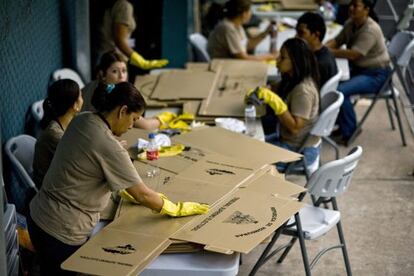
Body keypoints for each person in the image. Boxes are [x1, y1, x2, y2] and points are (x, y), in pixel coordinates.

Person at [28, 82, 208, 275]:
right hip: (61, 232)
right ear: (122, 111)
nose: (132, 126)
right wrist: (175, 208)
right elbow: (142, 195)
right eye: (134, 118)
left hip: (38, 216)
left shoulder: (83, 119)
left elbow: (88, 157)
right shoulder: (108, 145)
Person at [247, 38, 320, 172]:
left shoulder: (303, 91)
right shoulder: (291, 79)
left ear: (295, 62)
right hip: (287, 141)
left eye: (282, 57)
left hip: (298, 153)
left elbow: (294, 128)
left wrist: (276, 103)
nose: (277, 60)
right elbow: (273, 88)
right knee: (246, 144)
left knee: (248, 157)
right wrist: (261, 91)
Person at [326, 0, 390, 145]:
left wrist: (327, 51)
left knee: (340, 91)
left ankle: (350, 130)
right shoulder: (351, 23)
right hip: (360, 70)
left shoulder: (370, 29)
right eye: (351, 5)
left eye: (356, 6)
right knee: (330, 86)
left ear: (366, 10)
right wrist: (322, 48)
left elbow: (354, 54)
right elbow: (337, 41)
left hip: (376, 75)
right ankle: (341, 125)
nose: (351, 8)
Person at [83, 50, 168, 130]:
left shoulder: (93, 85)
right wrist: (162, 120)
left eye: (124, 71)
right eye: (115, 71)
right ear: (102, 74)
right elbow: (146, 126)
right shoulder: (114, 96)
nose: (121, 76)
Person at [33, 79, 83, 189]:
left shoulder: (67, 124)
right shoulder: (55, 135)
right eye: (80, 96)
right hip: (53, 192)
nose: (82, 99)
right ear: (75, 105)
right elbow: (82, 163)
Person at [98, 0, 168, 70]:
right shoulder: (124, 5)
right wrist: (141, 62)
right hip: (113, 61)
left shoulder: (118, 4)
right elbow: (119, 40)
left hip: (109, 59)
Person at [207, 0, 277, 61]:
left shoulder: (236, 24)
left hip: (232, 62)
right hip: (224, 65)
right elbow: (243, 57)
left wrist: (265, 33)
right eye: (250, 11)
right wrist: (270, 57)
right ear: (244, 14)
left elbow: (247, 45)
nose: (251, 14)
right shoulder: (228, 28)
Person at [296, 12, 338, 87]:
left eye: (301, 33)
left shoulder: (318, 64)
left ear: (316, 35)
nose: (296, 37)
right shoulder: (324, 52)